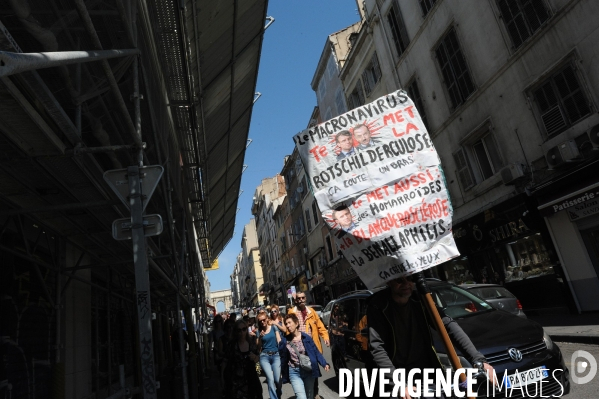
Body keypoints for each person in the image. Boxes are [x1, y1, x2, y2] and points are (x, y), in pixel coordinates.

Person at [367, 275, 497, 398]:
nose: (406, 284)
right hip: (397, 374)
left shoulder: (420, 299)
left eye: (410, 279)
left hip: (427, 373)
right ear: (389, 281)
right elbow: (377, 347)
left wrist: (478, 359)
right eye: (399, 281)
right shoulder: (378, 306)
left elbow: (447, 325)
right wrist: (398, 382)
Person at [277, 314, 330, 399]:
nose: (287, 325)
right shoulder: (284, 341)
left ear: (296, 323)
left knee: (309, 396)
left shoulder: (306, 338)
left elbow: (315, 352)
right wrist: (281, 371)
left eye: (289, 322)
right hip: (294, 372)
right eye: (286, 323)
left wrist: (324, 364)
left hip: (308, 370)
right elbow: (282, 358)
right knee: (301, 397)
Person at [288, 291, 329, 399]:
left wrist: (325, 337)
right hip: (297, 347)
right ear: (295, 300)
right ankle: (304, 391)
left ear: (305, 299)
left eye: (302, 298)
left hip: (311, 346)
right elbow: (287, 328)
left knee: (314, 369)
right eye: (298, 298)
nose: (301, 300)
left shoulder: (311, 312)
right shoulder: (292, 312)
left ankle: (314, 392)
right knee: (301, 368)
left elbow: (320, 326)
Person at [221, 319, 262, 399]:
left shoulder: (252, 344)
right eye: (239, 330)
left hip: (251, 381)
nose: (242, 332)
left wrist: (256, 360)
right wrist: (222, 379)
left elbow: (257, 362)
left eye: (244, 329)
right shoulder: (232, 346)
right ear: (236, 332)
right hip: (236, 384)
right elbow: (225, 362)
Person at [257, 310, 282, 399]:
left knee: (277, 380)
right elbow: (258, 346)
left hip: (276, 355)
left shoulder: (274, 327)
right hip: (264, 356)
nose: (262, 322)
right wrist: (260, 337)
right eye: (260, 321)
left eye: (263, 320)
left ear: (267, 319)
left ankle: (278, 392)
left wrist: (282, 351)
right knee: (270, 379)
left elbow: (279, 340)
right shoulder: (259, 331)